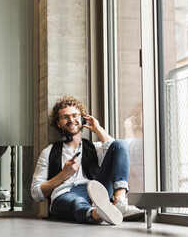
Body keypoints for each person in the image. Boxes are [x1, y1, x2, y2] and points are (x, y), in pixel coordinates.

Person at [31, 95, 143, 225]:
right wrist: (63, 175)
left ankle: (119, 203)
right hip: (65, 195)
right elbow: (36, 193)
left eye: (75, 115)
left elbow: (119, 151)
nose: (71, 120)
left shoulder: (95, 148)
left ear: (82, 119)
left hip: (96, 192)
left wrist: (98, 129)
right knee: (77, 203)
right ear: (58, 123)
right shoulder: (48, 152)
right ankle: (99, 213)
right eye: (65, 117)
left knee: (121, 143)